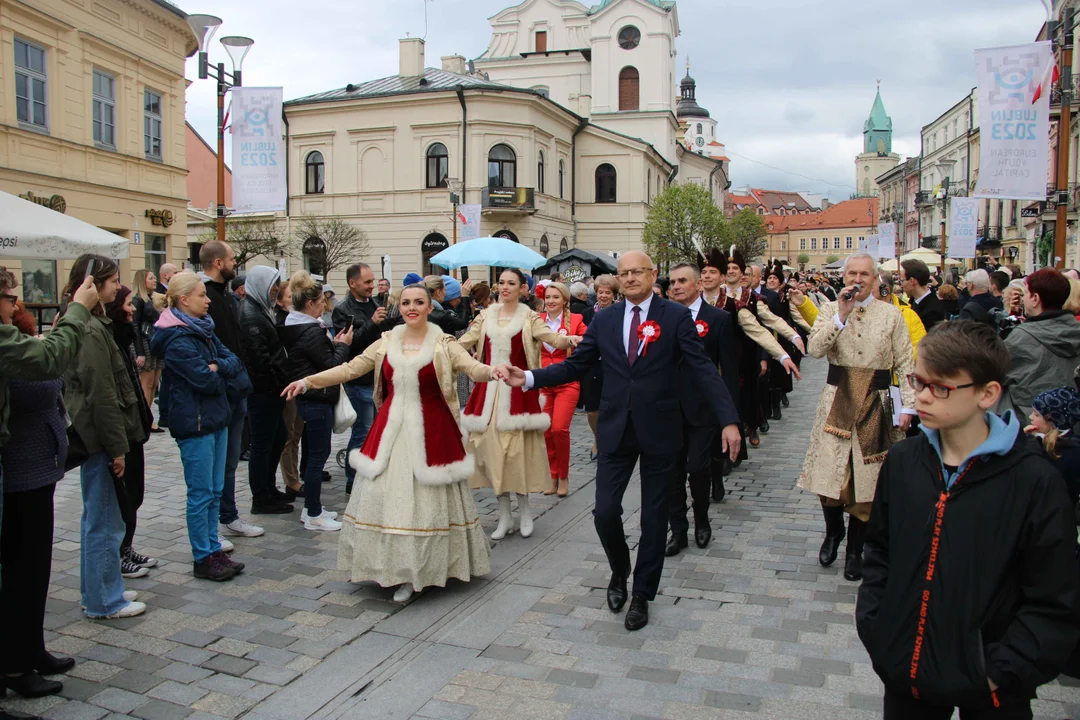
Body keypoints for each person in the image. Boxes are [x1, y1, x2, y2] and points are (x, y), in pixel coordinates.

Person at [500, 251, 741, 631]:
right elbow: (577, 364)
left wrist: (729, 419)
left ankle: (643, 594)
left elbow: (703, 369)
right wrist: (529, 378)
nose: (629, 278)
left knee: (653, 519)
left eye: (637, 272)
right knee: (605, 512)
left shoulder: (675, 317)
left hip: (661, 430)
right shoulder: (606, 318)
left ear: (653, 274)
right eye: (623, 273)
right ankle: (619, 570)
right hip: (615, 429)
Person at [857, 321, 1080, 719]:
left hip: (992, 686)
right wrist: (879, 629)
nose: (922, 397)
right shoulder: (905, 461)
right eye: (918, 382)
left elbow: (1054, 598)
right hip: (907, 672)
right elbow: (880, 552)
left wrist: (999, 671)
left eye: (940, 387)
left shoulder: (1033, 479)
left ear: (987, 394)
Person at [282, 284, 495, 603]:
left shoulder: (443, 342)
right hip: (391, 430)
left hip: (432, 430)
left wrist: (496, 371)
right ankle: (391, 567)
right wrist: (307, 381)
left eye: (419, 302)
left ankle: (418, 571)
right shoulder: (386, 342)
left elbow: (471, 368)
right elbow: (350, 368)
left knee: (425, 501)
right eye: (406, 302)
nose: (412, 307)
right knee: (388, 497)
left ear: (428, 307)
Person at [0, 269, 98, 701]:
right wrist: (75, 313)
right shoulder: (16, 345)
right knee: (20, 568)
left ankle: (29, 649)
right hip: (20, 470)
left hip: (36, 468)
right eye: (9, 296)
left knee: (34, 567)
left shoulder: (20, 337)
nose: (15, 304)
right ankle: (15, 664)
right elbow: (43, 375)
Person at [799, 253, 915, 582]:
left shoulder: (892, 315)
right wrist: (840, 317)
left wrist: (909, 405)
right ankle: (833, 531)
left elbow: (906, 361)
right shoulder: (829, 311)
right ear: (844, 277)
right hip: (839, 397)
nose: (859, 279)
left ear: (876, 279)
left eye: (865, 274)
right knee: (832, 479)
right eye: (853, 273)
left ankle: (855, 549)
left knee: (868, 482)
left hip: (875, 400)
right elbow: (815, 350)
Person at [458, 269, 580, 540]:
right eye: (501, 283)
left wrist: (570, 339)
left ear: (523, 288)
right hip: (487, 395)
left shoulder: (529, 316)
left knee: (516, 453)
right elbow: (464, 342)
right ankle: (504, 516)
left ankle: (524, 511)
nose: (505, 287)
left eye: (511, 283)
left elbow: (553, 338)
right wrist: (440, 345)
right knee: (490, 454)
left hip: (517, 394)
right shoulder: (485, 315)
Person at [61, 256, 148, 619]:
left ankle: (100, 588)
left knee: (101, 519)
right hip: (99, 442)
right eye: (112, 281)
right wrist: (117, 449)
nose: (117, 287)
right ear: (92, 285)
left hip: (97, 438)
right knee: (105, 522)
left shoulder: (90, 323)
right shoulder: (91, 330)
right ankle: (104, 600)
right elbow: (102, 395)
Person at [152, 272, 249, 582]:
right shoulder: (177, 337)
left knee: (215, 490)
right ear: (184, 300)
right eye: (201, 295)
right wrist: (218, 371)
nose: (208, 300)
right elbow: (204, 380)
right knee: (201, 493)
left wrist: (218, 365)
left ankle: (213, 548)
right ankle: (202, 556)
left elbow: (233, 360)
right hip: (195, 423)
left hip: (215, 417)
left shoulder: (204, 329)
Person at [664, 262, 737, 557]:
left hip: (702, 409)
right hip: (667, 408)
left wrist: (729, 418)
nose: (676, 286)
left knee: (697, 468)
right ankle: (678, 530)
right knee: (671, 473)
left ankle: (702, 520)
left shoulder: (718, 319)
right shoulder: (660, 318)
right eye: (672, 282)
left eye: (683, 280)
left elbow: (728, 371)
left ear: (698, 284)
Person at [699, 247, 800, 451]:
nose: (707, 276)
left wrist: (783, 350)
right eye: (704, 272)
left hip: (737, 360)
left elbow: (762, 327)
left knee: (741, 401)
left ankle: (743, 436)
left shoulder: (740, 302)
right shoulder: (690, 302)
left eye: (713, 272)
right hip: (700, 370)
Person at [199, 241, 263, 548]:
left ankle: (228, 514)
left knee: (229, 461)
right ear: (217, 262)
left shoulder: (224, 295)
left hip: (236, 387)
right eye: (231, 258)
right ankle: (216, 523)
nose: (235, 262)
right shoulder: (207, 297)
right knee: (217, 463)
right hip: (221, 390)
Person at [280, 272, 353, 531]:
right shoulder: (310, 331)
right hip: (315, 398)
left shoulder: (296, 325)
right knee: (317, 457)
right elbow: (331, 365)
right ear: (310, 304)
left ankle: (314, 507)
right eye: (321, 301)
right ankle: (312, 513)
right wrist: (343, 345)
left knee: (314, 454)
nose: (324, 305)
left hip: (310, 398)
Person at [103, 286, 156, 578]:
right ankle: (119, 553)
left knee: (135, 494)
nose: (133, 308)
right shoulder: (107, 339)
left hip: (135, 429)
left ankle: (127, 546)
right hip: (121, 432)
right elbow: (107, 395)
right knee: (121, 497)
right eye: (127, 304)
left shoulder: (124, 338)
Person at [333, 263, 394, 494]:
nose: (371, 286)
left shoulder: (374, 302)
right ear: (352, 283)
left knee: (377, 429)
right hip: (359, 381)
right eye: (367, 282)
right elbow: (350, 343)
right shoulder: (342, 309)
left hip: (379, 377)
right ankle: (353, 479)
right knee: (362, 431)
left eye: (372, 281)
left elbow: (382, 334)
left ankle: (371, 472)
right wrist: (373, 323)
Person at [239, 266, 294, 514]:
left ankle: (268, 489)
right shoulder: (251, 313)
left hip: (271, 389)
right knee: (263, 444)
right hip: (263, 391)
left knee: (277, 437)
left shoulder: (259, 309)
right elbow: (260, 359)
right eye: (273, 285)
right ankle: (261, 497)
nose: (275, 291)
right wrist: (275, 383)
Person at [1000, 268, 1080, 418]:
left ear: (1035, 299)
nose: (1023, 299)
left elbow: (998, 373)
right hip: (1070, 420)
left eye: (1026, 294)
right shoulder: (1076, 330)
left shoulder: (1022, 337)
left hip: (1030, 418)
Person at [538, 282, 588, 498]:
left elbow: (588, 343)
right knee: (546, 431)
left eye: (555, 297)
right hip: (543, 383)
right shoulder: (537, 320)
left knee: (559, 429)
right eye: (548, 297)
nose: (550, 301)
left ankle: (564, 476)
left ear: (565, 300)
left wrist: (577, 343)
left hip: (567, 382)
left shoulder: (576, 320)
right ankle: (552, 474)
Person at [581, 274, 620, 460]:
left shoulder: (620, 314)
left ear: (614, 295)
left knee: (612, 408)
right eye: (600, 292)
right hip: (591, 366)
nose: (603, 296)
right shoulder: (586, 314)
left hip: (613, 367)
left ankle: (608, 441)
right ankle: (598, 438)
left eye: (608, 293)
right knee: (592, 410)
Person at [1026, 386, 1080, 505]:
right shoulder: (1037, 440)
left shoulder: (1072, 452)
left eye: (1036, 415)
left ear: (1053, 421)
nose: (1030, 417)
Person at [132, 269, 164, 432]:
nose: (154, 280)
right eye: (150, 278)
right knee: (147, 382)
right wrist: (140, 352)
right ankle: (145, 418)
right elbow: (135, 326)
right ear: (142, 281)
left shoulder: (151, 299)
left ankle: (148, 418)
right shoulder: (138, 300)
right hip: (144, 343)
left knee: (153, 383)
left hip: (154, 341)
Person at [901, 258, 945, 330]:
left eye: (902, 281)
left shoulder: (933, 311)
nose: (902, 285)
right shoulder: (914, 301)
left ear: (912, 281)